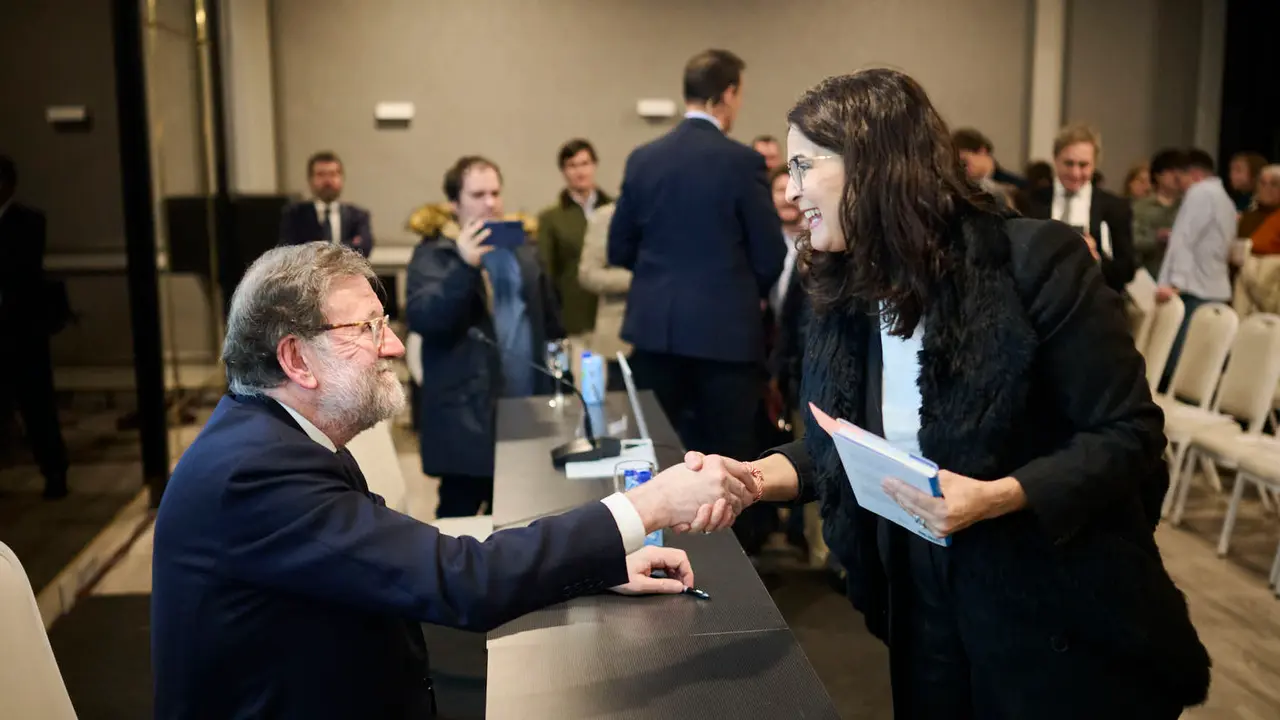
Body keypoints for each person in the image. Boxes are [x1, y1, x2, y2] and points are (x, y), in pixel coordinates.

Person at [686, 69, 1210, 718]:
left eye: (802, 165)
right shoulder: (851, 289)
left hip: (1053, 609)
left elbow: (1127, 434)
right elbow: (858, 444)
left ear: (871, 163)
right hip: (920, 594)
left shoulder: (1033, 262)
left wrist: (997, 498)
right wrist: (755, 477)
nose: (789, 192)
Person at [152, 241, 757, 719]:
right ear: (295, 360)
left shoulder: (270, 438)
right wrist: (648, 504)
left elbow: (415, 567)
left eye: (384, 322)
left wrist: (591, 567)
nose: (392, 344)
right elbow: (464, 581)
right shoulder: (255, 473)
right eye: (366, 329)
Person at [609, 48, 784, 475]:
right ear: (727, 94)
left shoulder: (643, 158)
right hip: (725, 340)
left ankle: (659, 540)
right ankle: (732, 544)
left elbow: (618, 248)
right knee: (728, 464)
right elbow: (770, 255)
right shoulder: (742, 162)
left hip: (656, 334)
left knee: (656, 458)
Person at [406, 156, 563, 518]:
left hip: (524, 410)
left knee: (519, 519)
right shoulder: (435, 254)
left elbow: (550, 322)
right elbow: (426, 318)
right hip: (467, 420)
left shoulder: (522, 249)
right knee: (458, 524)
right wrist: (464, 264)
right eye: (478, 194)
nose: (490, 202)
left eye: (495, 192)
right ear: (454, 204)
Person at [0, 155, 69, 499]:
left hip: (22, 329)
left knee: (37, 407)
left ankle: (54, 472)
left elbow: (20, 270)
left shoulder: (27, 221)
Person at [1155, 149, 1237, 391]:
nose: (1180, 187)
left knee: (1177, 366)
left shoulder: (1200, 193)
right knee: (1204, 365)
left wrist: (1173, 283)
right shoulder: (1226, 200)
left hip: (1193, 289)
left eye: (1181, 179)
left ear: (1194, 174)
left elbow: (1183, 239)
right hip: (1217, 288)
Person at [1024, 124, 1136, 294]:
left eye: (1083, 165)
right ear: (1055, 159)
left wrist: (1096, 260)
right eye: (1068, 164)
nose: (1075, 173)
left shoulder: (1115, 208)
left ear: (1095, 165)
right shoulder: (1032, 201)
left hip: (1093, 301)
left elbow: (1127, 271)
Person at [536, 139, 613, 345]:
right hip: (575, 321)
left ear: (594, 165)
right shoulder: (552, 219)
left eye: (585, 163)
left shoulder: (616, 211)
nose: (580, 171)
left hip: (614, 317)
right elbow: (547, 273)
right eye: (572, 165)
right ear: (563, 171)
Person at [279, 151, 375, 257]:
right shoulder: (295, 215)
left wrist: (315, 249)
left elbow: (364, 248)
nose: (328, 181)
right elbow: (289, 251)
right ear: (310, 180)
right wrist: (348, 245)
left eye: (333, 174)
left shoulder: (358, 216)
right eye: (321, 175)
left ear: (341, 178)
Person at [576, 201, 630, 391]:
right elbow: (588, 274)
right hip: (621, 337)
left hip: (674, 343)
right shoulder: (607, 216)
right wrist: (640, 279)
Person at [1131, 149, 1189, 279]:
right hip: (1149, 274)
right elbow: (1132, 240)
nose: (1177, 176)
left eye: (1180, 170)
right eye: (1171, 171)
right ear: (1158, 175)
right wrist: (1155, 238)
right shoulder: (1141, 207)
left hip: (1183, 279)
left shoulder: (1188, 205)